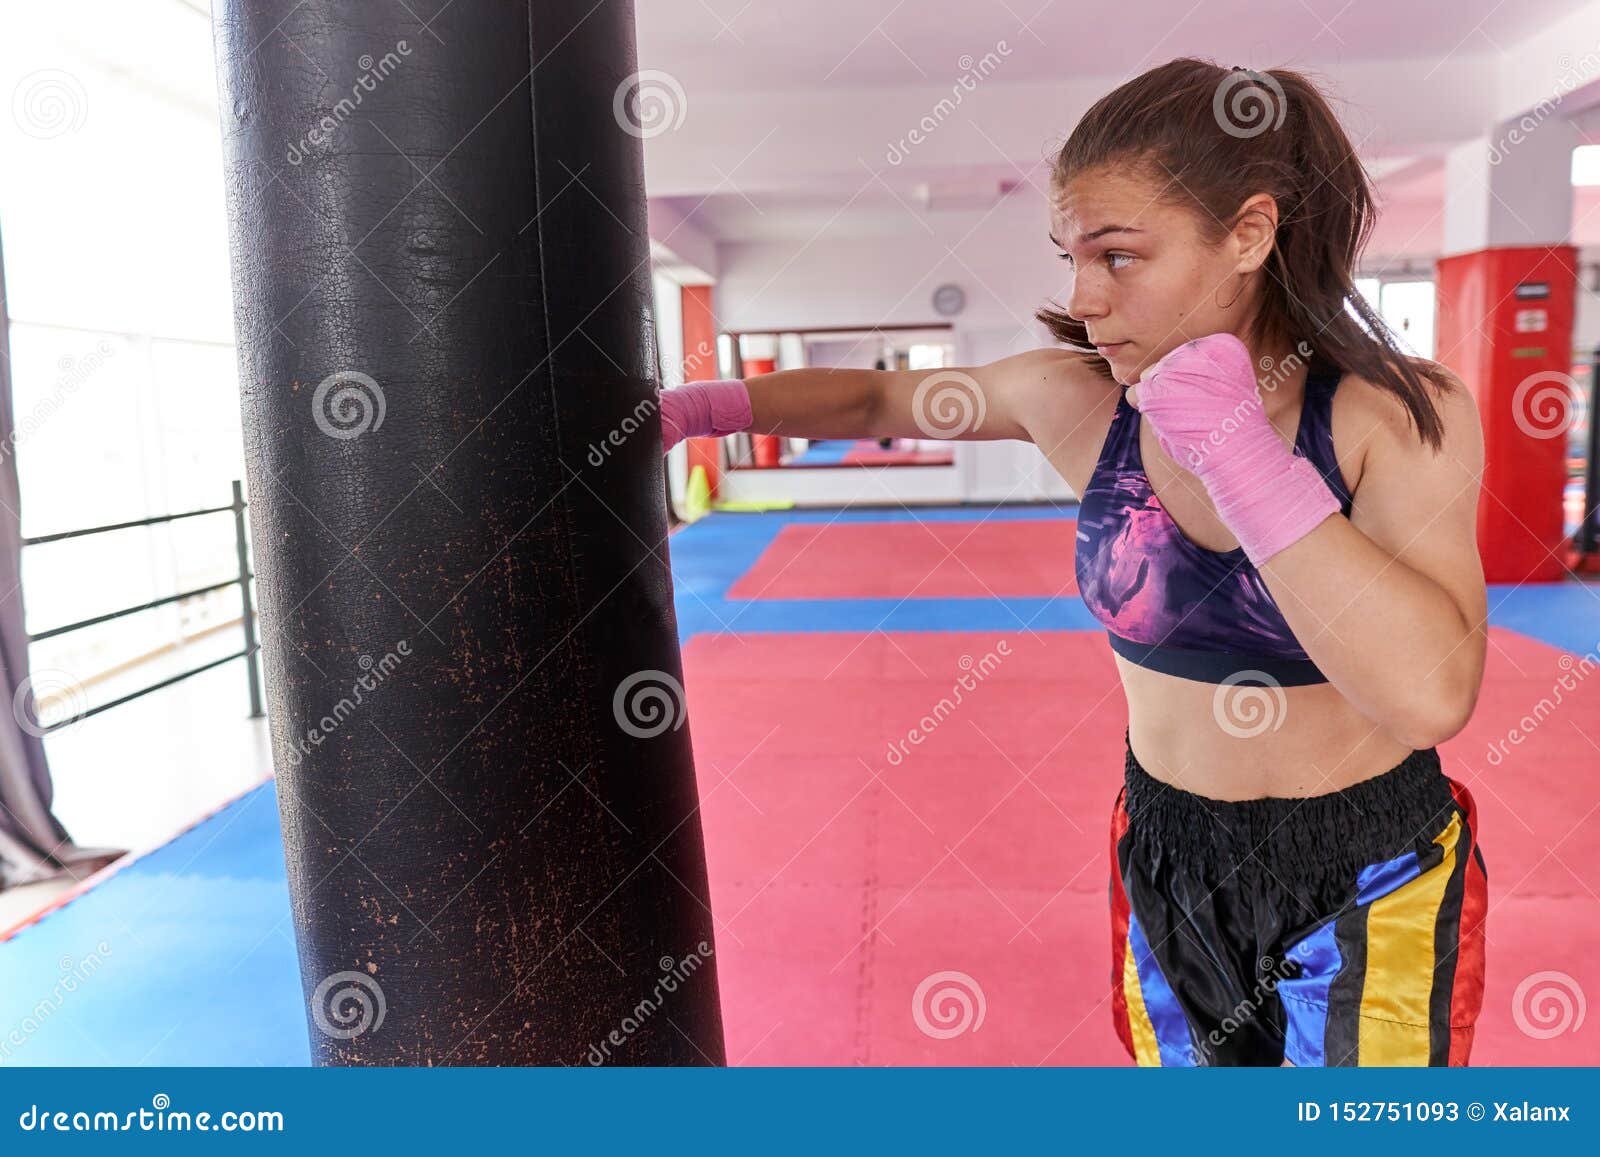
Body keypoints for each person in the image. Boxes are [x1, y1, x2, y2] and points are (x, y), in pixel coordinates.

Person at [657, 57, 1488, 1068]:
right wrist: (696, 408)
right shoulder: (1078, 401)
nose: (1084, 296)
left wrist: (1242, 456)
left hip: (1367, 867)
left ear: (1249, 234)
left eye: (1118, 255)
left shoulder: (1391, 413)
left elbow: (1429, 695)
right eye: (1071, 258)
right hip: (1167, 852)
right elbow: (876, 403)